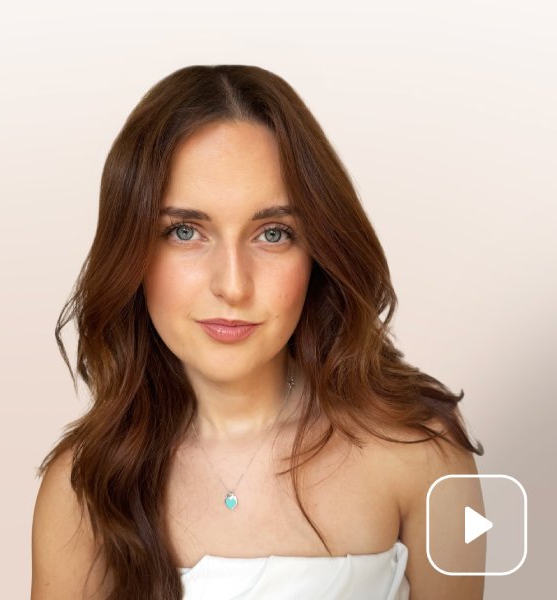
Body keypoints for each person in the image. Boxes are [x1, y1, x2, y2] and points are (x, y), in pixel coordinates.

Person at [31, 64, 485, 600]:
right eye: (185, 231)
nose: (232, 285)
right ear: (131, 251)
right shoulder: (84, 489)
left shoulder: (418, 452)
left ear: (318, 252)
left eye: (272, 233)